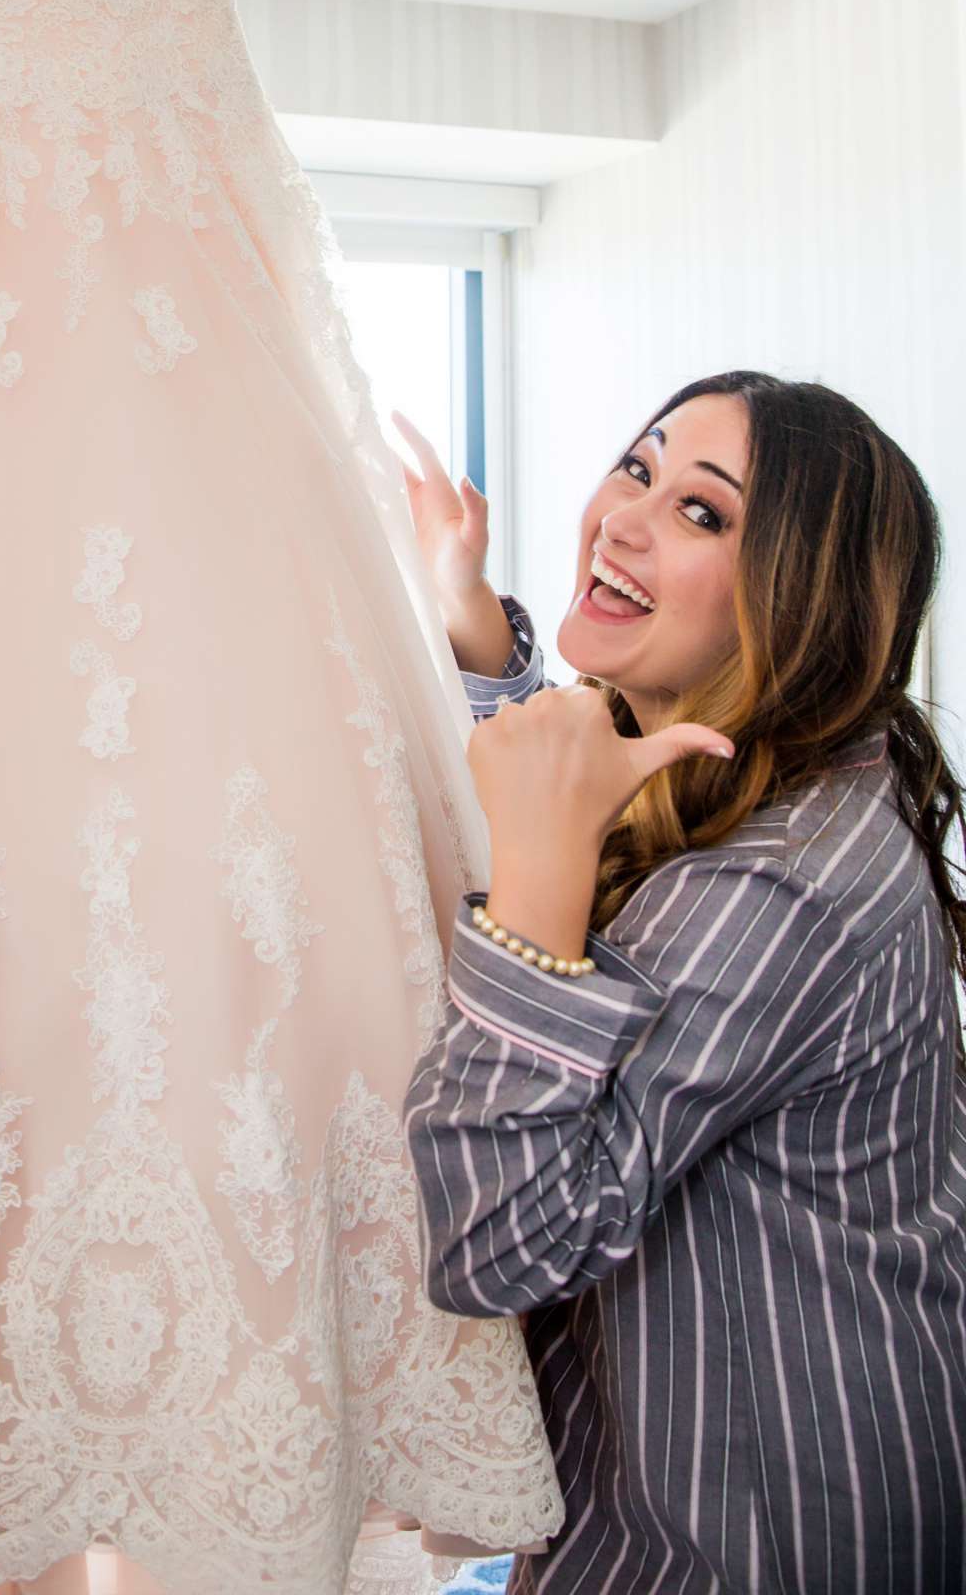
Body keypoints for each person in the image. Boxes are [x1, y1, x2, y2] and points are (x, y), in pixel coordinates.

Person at [396, 372, 966, 1594]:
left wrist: (539, 868)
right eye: (639, 467)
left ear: (797, 601)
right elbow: (599, 780)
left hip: (744, 1537)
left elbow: (497, 1239)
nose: (624, 516)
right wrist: (473, 624)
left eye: (703, 514)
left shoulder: (782, 889)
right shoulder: (782, 771)